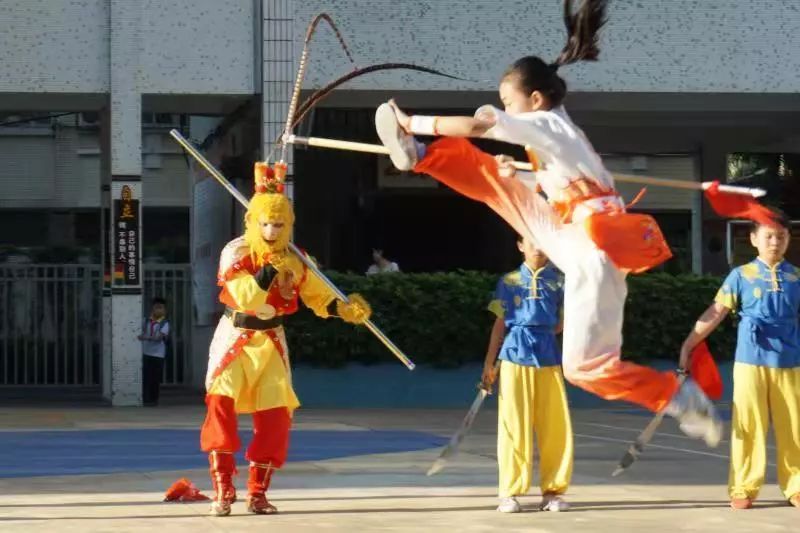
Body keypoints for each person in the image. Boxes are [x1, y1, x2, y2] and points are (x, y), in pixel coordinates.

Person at [374, 0, 723, 445]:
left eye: (507, 103)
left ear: (535, 100)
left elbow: (479, 127)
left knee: (584, 370)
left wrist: (414, 118)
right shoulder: (554, 132)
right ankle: (420, 154)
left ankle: (677, 396)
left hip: (591, 251)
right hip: (571, 233)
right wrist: (521, 173)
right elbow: (560, 185)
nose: (503, 109)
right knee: (493, 181)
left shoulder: (546, 125)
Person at [201, 162, 372, 516]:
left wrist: (344, 310)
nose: (271, 230)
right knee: (220, 405)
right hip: (235, 336)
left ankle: (258, 492)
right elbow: (245, 296)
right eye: (265, 223)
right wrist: (268, 268)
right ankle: (223, 488)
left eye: (279, 224)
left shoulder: (297, 258)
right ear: (252, 221)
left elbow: (318, 296)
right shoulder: (235, 252)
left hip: (272, 339)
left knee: (277, 414)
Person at [679, 212, 800, 510]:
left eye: (781, 236)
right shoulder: (741, 276)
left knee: (794, 427)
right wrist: (689, 344)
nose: (775, 242)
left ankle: (795, 486)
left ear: (788, 240)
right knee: (747, 425)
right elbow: (716, 312)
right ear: (754, 239)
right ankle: (744, 487)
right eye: (769, 236)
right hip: (750, 361)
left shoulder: (796, 276)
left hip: (790, 361)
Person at [483, 235, 572, 513]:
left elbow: (564, 321)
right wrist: (489, 363)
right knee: (513, 426)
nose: (538, 247)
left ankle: (553, 492)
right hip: (513, 356)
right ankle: (509, 492)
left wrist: (542, 332)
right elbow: (500, 323)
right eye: (532, 241)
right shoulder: (508, 281)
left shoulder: (560, 280)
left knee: (555, 426)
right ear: (520, 245)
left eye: (544, 241)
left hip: (548, 357)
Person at [138, 297, 169, 406]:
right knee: (146, 377)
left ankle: (154, 400)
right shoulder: (145, 321)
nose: (159, 310)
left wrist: (144, 337)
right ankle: (146, 399)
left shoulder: (164, 324)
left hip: (158, 355)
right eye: (157, 308)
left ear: (165, 310)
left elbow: (158, 338)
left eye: (161, 308)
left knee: (155, 379)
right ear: (152, 309)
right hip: (146, 353)